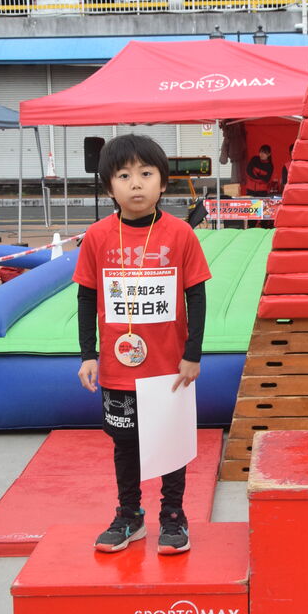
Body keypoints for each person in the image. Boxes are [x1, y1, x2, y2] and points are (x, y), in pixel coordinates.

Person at [74, 134, 211, 554]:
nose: (136, 183)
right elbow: (86, 297)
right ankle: (130, 515)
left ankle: (173, 515)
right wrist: (88, 355)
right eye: (124, 175)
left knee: (170, 445)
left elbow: (196, 296)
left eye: (146, 173)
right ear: (109, 187)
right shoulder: (97, 236)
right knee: (125, 445)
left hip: (169, 367)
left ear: (163, 182)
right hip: (119, 369)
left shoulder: (180, 234)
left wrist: (192, 354)